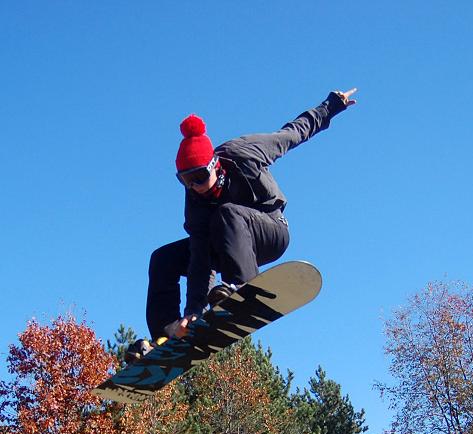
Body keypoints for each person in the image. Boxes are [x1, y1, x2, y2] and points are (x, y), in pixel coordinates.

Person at [126, 87, 359, 362]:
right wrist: (194, 311)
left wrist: (331, 106)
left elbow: (292, 134)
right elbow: (200, 259)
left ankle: (242, 286)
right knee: (163, 259)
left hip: (270, 231)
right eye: (186, 181)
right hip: (223, 246)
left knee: (226, 213)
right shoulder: (195, 200)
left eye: (199, 177)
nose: (195, 187)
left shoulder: (243, 152)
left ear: (214, 165)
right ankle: (167, 336)